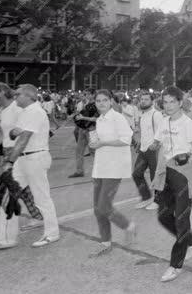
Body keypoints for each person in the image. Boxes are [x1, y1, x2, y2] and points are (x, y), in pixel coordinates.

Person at [0, 84, 60, 250]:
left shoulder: (35, 112)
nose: (14, 96)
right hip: (23, 159)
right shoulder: (25, 112)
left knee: (41, 198)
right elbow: (13, 133)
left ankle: (52, 233)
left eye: (18, 94)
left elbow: (24, 138)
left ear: (29, 96)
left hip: (35, 158)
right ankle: (5, 239)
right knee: (6, 195)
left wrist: (9, 162)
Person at [151, 86, 192, 282]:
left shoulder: (187, 123)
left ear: (180, 102)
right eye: (165, 102)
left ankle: (175, 265)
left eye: (172, 101)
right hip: (167, 173)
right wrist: (157, 174)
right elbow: (160, 147)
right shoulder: (163, 121)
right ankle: (191, 240)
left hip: (185, 173)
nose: (168, 105)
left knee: (182, 221)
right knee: (163, 216)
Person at [88, 89, 137, 257]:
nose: (101, 103)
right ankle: (105, 241)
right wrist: (95, 144)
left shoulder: (118, 118)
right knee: (97, 208)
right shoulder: (100, 120)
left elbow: (126, 140)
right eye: (98, 101)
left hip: (114, 167)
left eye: (104, 100)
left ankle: (128, 226)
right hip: (100, 166)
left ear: (110, 101)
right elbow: (101, 142)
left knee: (104, 206)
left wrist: (103, 143)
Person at [132, 90, 163, 210]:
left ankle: (159, 200)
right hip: (143, 149)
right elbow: (143, 131)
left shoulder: (156, 114)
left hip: (154, 149)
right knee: (136, 174)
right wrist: (139, 141)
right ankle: (146, 198)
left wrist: (156, 143)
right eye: (142, 99)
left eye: (146, 99)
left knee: (155, 176)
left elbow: (161, 131)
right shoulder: (142, 115)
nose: (143, 101)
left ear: (152, 101)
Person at [70, 89, 98, 178]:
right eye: (85, 94)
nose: (86, 96)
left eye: (88, 94)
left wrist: (83, 117)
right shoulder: (84, 104)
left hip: (92, 129)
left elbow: (96, 118)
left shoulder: (97, 104)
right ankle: (79, 171)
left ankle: (99, 171)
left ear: (93, 95)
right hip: (83, 129)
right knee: (78, 151)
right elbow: (80, 115)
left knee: (93, 151)